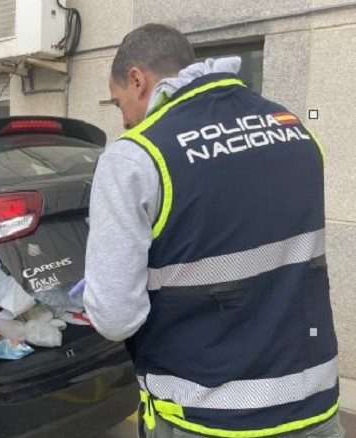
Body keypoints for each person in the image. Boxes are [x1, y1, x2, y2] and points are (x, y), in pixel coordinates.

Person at [82, 24, 343, 437]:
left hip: (207, 414)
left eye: (118, 104)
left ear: (137, 80)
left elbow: (116, 318)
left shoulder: (136, 157)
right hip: (312, 403)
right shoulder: (294, 128)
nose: (125, 119)